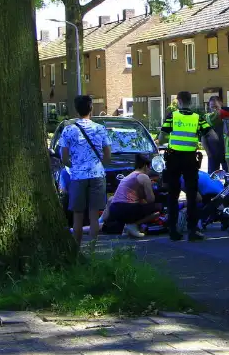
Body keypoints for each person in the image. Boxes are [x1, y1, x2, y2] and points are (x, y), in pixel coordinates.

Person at [59, 94, 112, 246]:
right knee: (94, 215)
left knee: (77, 215)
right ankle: (93, 250)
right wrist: (98, 164)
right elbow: (108, 155)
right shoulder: (100, 129)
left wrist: (75, 166)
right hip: (97, 174)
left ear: (76, 110)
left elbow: (64, 158)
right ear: (91, 108)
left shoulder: (68, 130)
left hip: (77, 176)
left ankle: (77, 249)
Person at [158, 90, 208, 241]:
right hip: (190, 159)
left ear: (178, 101)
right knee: (192, 195)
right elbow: (211, 134)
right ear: (190, 102)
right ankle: (193, 230)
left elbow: (161, 138)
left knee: (173, 195)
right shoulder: (198, 118)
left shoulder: (172, 116)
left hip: (173, 158)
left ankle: (173, 230)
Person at [101, 153, 157, 238]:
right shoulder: (144, 177)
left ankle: (75, 229)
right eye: (149, 168)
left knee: (111, 226)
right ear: (146, 166)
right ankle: (133, 225)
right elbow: (151, 200)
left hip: (114, 209)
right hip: (127, 209)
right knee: (158, 209)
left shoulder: (130, 175)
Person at [203, 95, 226, 174]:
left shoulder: (226, 118)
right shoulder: (207, 119)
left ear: (221, 104)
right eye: (212, 107)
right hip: (212, 153)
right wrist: (208, 153)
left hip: (225, 153)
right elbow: (203, 137)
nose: (214, 110)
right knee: (212, 178)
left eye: (216, 107)